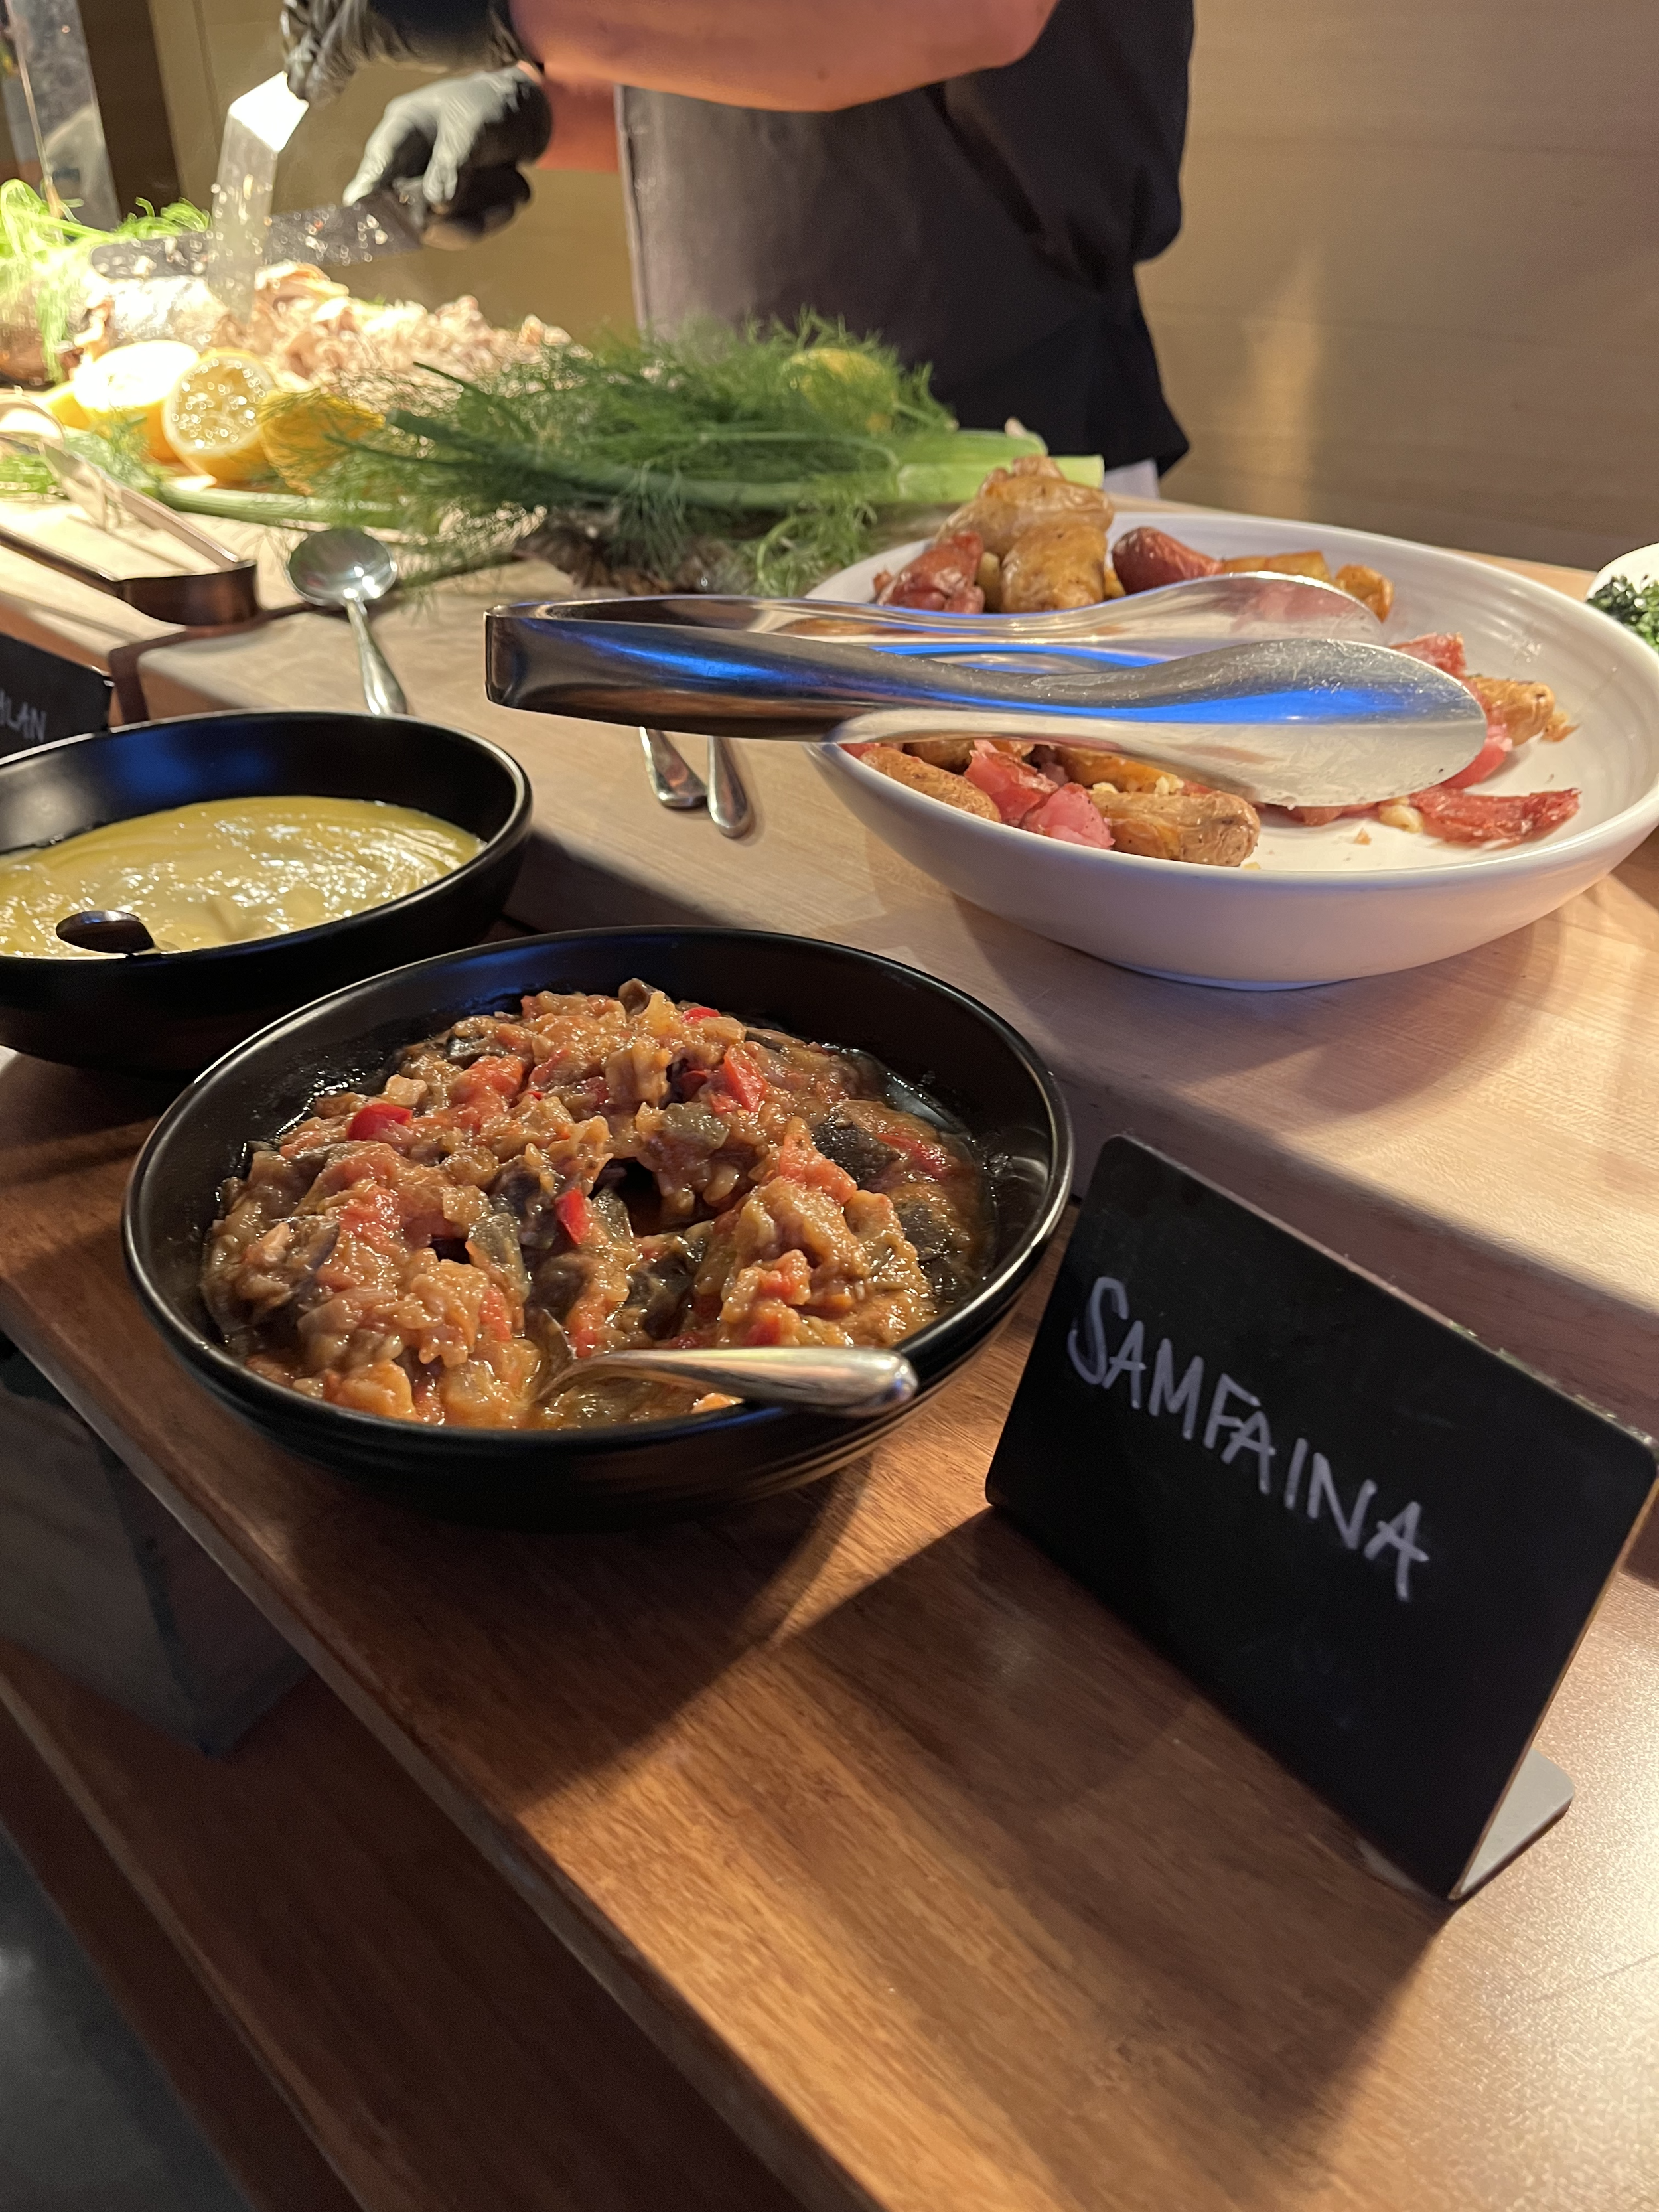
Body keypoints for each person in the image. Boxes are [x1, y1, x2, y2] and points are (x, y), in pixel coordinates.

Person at [281, 0, 1192, 488]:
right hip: (722, 462)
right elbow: (756, 88)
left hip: (999, 458)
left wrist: (516, 8)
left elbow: (974, 12)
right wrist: (538, 109)